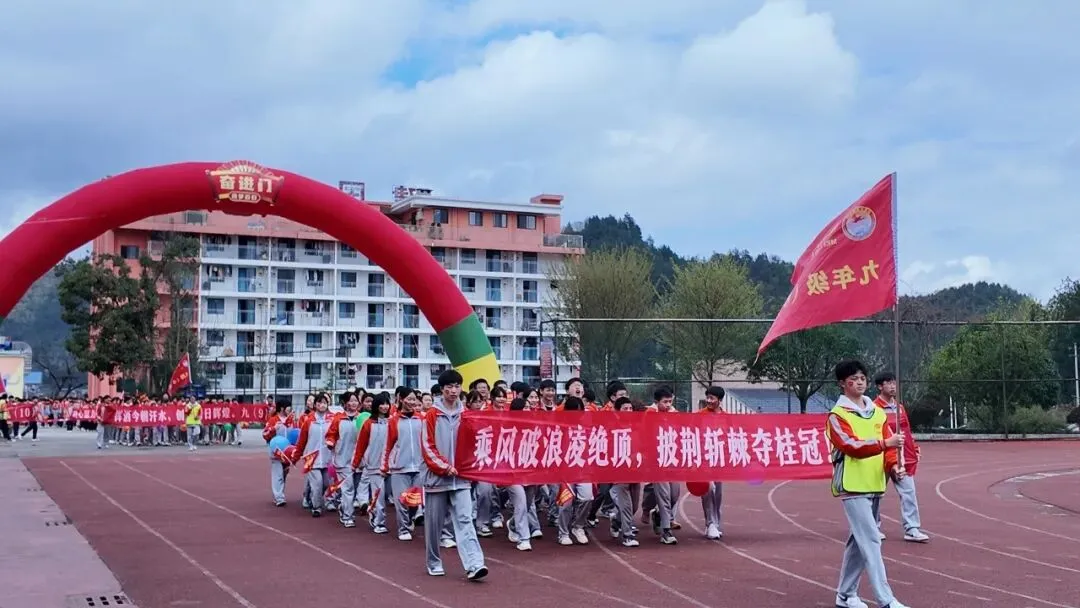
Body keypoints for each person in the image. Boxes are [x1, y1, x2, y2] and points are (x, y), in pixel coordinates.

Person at [826, 360, 909, 608]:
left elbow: (888, 447)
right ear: (843, 384)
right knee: (872, 539)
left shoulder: (877, 412)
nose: (860, 381)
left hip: (874, 483)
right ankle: (885, 599)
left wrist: (894, 466)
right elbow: (851, 446)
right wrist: (886, 444)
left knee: (858, 541)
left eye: (863, 377)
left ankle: (845, 594)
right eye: (854, 378)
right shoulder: (837, 416)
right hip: (852, 486)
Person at [420, 369, 488, 581]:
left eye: (457, 386)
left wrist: (468, 466)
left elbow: (474, 444)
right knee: (434, 524)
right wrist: (444, 467)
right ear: (442, 390)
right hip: (437, 479)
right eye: (449, 387)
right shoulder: (432, 414)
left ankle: (474, 564)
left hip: (461, 479)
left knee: (465, 519)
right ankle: (433, 561)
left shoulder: (466, 415)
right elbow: (427, 446)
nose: (453, 391)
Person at [872, 372, 929, 543]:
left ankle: (912, 528)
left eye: (894, 383)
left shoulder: (900, 408)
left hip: (901, 456)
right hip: (880, 456)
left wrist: (914, 448)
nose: (892, 386)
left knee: (908, 491)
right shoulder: (873, 408)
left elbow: (906, 431)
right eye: (888, 383)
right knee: (876, 493)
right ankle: (873, 527)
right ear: (880, 386)